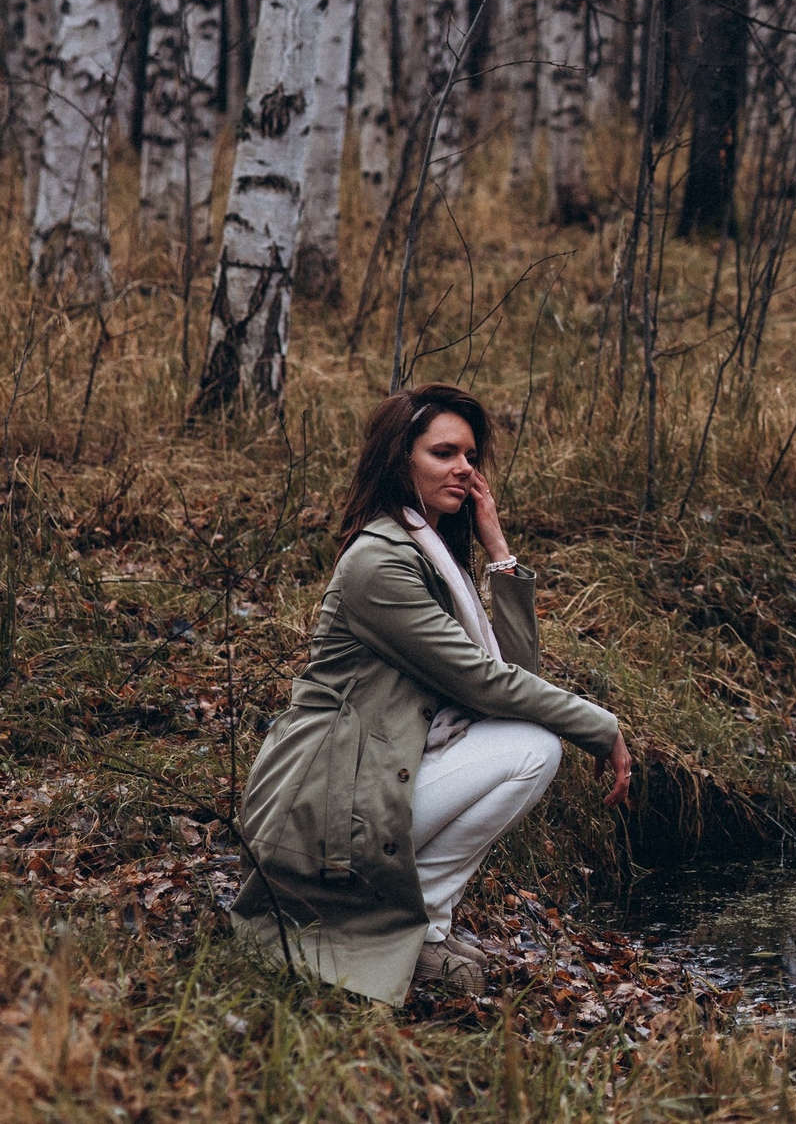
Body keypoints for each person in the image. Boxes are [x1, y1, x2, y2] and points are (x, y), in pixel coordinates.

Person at [229, 383, 634, 1002]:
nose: (464, 467)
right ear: (400, 461)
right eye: (444, 453)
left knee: (530, 740)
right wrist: (601, 727)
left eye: (469, 455)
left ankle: (425, 928)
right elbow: (485, 683)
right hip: (322, 802)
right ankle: (414, 932)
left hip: (377, 771)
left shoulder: (430, 553)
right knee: (535, 747)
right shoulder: (380, 563)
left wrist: (498, 550)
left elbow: (516, 672)